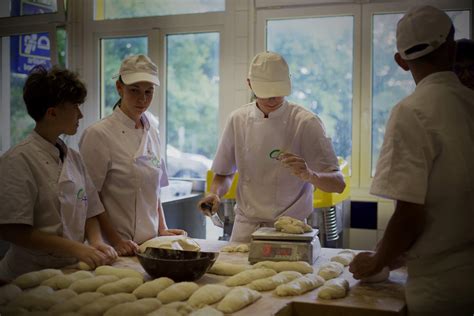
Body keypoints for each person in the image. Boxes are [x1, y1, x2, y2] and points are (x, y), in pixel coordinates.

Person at [349, 6, 474, 316]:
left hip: (440, 287)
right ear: (453, 48)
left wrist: (378, 261)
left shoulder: (412, 111)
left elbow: (410, 215)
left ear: (401, 61)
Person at [197, 51, 345, 242]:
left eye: (277, 90)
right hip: (245, 229)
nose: (273, 97)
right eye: (266, 91)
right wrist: (214, 194)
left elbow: (338, 184)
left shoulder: (306, 122)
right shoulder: (237, 120)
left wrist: (310, 175)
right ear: (249, 83)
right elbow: (224, 173)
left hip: (290, 230)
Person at [0, 66, 117, 280]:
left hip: (71, 269)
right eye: (75, 106)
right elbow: (13, 230)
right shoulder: (17, 161)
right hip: (27, 275)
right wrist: (76, 248)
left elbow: (90, 208)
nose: (80, 114)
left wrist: (96, 241)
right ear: (52, 112)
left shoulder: (73, 157)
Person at [79, 55, 186, 256]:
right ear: (119, 88)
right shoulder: (99, 134)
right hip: (110, 247)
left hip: (149, 244)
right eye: (134, 90)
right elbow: (91, 197)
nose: (142, 99)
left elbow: (156, 191)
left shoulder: (153, 131)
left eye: (148, 92)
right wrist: (116, 241)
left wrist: (162, 229)